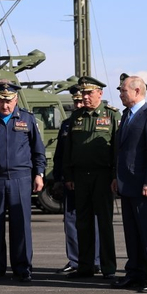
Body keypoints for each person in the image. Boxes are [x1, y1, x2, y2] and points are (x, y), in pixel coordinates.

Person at [0, 79, 46, 284]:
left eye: (9, 100)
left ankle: (23, 269)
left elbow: (38, 151)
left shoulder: (28, 120)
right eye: (1, 100)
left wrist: (39, 174)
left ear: (16, 99)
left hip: (21, 179)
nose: (6, 105)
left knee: (21, 226)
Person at [111, 76, 147, 293]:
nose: (120, 94)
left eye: (123, 90)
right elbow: (122, 151)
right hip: (127, 184)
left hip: (144, 185)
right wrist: (116, 176)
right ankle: (135, 272)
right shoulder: (126, 115)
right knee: (132, 232)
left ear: (136, 91)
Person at [63, 76, 120, 280]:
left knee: (104, 223)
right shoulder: (76, 116)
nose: (85, 97)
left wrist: (115, 176)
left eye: (89, 93)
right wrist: (68, 175)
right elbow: (69, 148)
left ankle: (108, 267)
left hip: (103, 176)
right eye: (83, 93)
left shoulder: (112, 115)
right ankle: (85, 266)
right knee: (83, 222)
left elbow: (116, 149)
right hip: (80, 176)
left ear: (99, 94)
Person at [52, 85, 100, 274]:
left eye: (81, 100)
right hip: (71, 179)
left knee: (94, 219)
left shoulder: (99, 120)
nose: (79, 104)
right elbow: (60, 154)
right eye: (76, 102)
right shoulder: (67, 123)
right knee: (70, 220)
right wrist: (58, 178)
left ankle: (95, 260)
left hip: (92, 178)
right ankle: (74, 260)